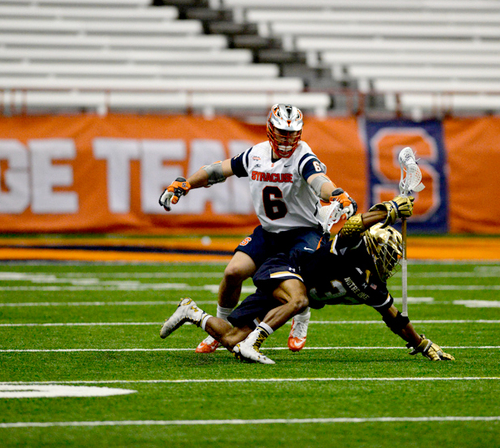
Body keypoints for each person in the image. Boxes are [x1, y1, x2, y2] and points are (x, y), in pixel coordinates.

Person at [160, 195, 454, 365]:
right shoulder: (350, 250)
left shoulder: (374, 287)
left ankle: (192, 312)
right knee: (299, 301)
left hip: (284, 294)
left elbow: (395, 320)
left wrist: (423, 344)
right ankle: (257, 343)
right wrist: (387, 210)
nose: (390, 263)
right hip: (284, 266)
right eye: (388, 255)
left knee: (231, 339)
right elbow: (352, 226)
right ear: (374, 249)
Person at [158, 104, 356, 354]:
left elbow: (319, 182)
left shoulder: (304, 156)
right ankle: (222, 328)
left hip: (303, 231)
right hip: (270, 231)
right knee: (233, 272)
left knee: (303, 270)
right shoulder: (256, 155)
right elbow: (218, 170)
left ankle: (302, 318)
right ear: (271, 130)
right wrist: (186, 183)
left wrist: (338, 194)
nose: (287, 138)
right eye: (282, 132)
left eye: (292, 133)